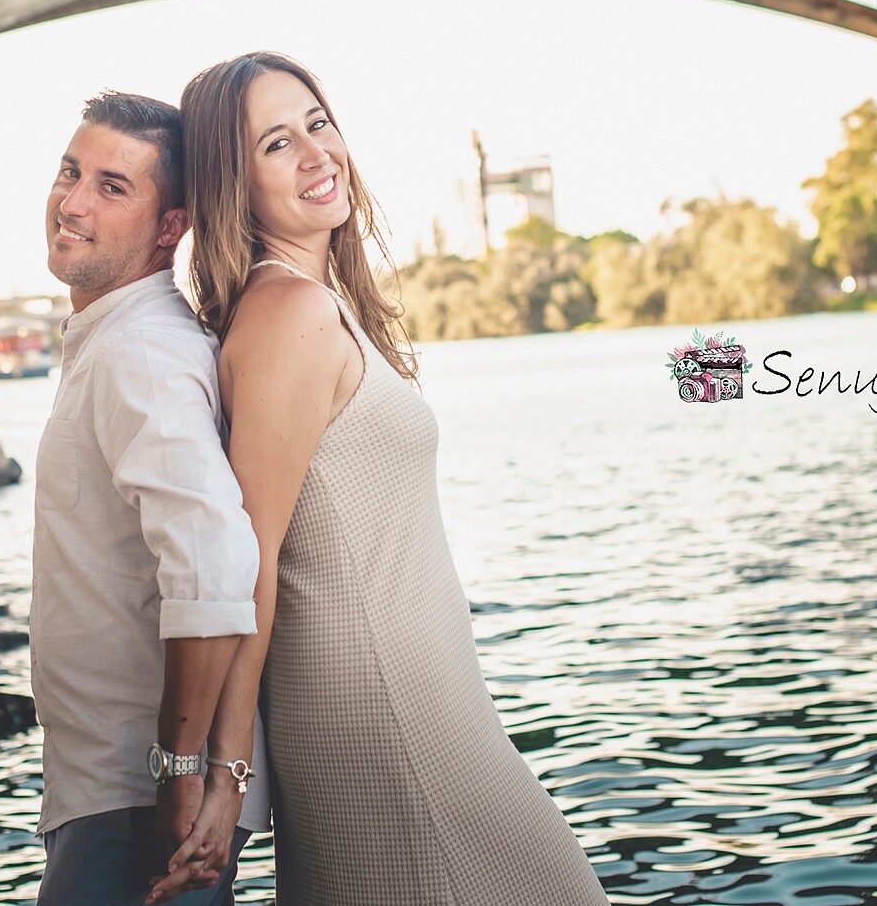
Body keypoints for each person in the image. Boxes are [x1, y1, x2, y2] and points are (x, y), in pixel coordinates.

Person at [164, 53, 610, 905]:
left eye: (318, 124)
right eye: (275, 144)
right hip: (382, 716)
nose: (314, 154)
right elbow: (245, 565)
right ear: (234, 183)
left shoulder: (315, 300)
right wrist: (223, 773)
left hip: (431, 700)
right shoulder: (288, 313)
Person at [31, 91, 268, 906]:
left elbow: (214, 562)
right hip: (117, 788)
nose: (71, 202)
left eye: (111, 186)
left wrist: (182, 769)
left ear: (171, 227)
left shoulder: (141, 350)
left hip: (139, 804)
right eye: (70, 172)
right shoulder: (116, 339)